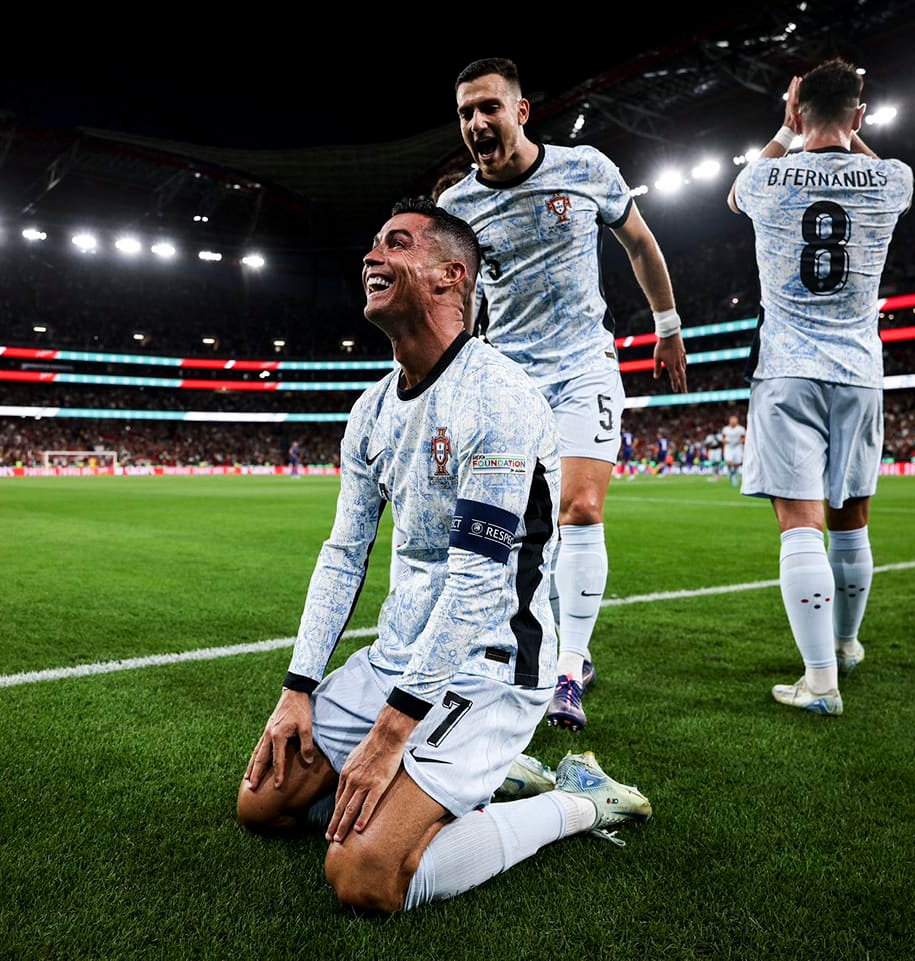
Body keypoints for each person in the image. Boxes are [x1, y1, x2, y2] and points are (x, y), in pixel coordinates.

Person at [236, 198, 653, 913]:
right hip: (397, 657)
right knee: (261, 805)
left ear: (449, 276)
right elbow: (344, 553)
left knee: (364, 876)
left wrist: (391, 732)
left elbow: (476, 586)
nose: (372, 256)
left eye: (396, 243)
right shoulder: (370, 410)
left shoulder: (497, 396)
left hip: (491, 666)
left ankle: (579, 802)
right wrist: (298, 686)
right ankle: (463, 783)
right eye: (374, 243)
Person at [438, 58, 688, 732]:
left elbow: (640, 243)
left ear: (521, 111)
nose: (476, 122)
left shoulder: (585, 170)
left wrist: (667, 326)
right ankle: (539, 647)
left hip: (583, 367)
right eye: (465, 113)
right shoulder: (456, 210)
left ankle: (570, 669)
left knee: (580, 508)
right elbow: (456, 307)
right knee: (520, 531)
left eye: (489, 107)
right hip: (509, 383)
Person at [728, 59, 913, 715]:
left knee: (799, 526)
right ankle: (846, 643)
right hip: (859, 371)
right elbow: (877, 171)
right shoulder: (892, 178)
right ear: (859, 114)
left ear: (797, 109)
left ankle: (820, 680)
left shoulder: (766, 177)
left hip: (787, 371)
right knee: (851, 519)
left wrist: (786, 132)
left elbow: (734, 197)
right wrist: (847, 132)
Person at [721, 414, 746, 488]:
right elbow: (723, 438)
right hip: (728, 447)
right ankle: (732, 473)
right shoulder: (725, 429)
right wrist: (724, 441)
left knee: (737, 463)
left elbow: (744, 437)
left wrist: (741, 441)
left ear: (737, 422)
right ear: (729, 421)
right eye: (732, 421)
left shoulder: (741, 429)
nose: (733, 423)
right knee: (728, 461)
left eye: (734, 421)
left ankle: (733, 473)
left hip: (737, 447)